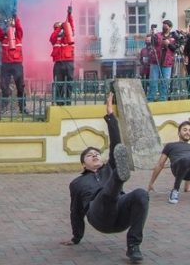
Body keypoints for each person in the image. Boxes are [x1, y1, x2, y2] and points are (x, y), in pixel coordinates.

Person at [62, 91, 149, 264]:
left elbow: (116, 144)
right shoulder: (77, 183)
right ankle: (120, 178)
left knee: (141, 194)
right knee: (107, 193)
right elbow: (76, 211)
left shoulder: (108, 167)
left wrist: (110, 115)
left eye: (96, 154)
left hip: (121, 214)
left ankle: (133, 246)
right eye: (89, 156)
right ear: (83, 165)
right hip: (98, 216)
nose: (94, 156)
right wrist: (76, 237)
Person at [0, 12, 26, 114]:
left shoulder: (18, 36)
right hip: (6, 65)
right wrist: (4, 25)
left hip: (17, 65)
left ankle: (22, 108)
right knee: (4, 87)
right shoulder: (3, 37)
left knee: (20, 87)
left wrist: (15, 18)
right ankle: (4, 108)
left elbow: (19, 27)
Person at [50, 6, 75, 105]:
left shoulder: (68, 36)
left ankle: (68, 100)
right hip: (58, 64)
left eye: (60, 28)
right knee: (58, 83)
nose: (60, 30)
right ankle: (59, 102)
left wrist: (69, 15)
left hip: (68, 62)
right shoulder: (55, 38)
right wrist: (60, 28)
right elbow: (52, 37)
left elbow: (71, 27)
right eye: (57, 28)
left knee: (69, 82)